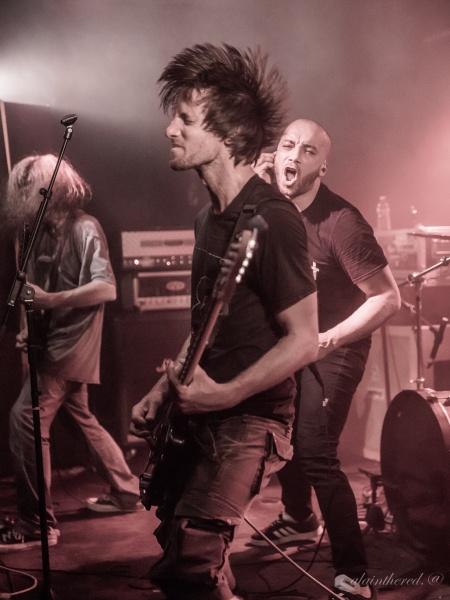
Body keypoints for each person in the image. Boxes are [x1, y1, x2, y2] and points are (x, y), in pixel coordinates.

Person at [130, 44, 319, 600]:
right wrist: (163, 389)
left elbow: (304, 340)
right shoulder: (207, 220)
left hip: (252, 419)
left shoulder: (274, 221)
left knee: (194, 558)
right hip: (202, 416)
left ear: (229, 132)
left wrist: (227, 393)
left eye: (186, 119)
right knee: (186, 557)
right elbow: (209, 321)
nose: (170, 129)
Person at [250, 119, 401, 600]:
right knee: (281, 428)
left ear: (322, 167)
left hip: (337, 346)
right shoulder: (269, 209)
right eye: (287, 146)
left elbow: (388, 298)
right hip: (293, 341)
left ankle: (354, 573)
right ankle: (299, 519)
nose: (295, 155)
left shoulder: (342, 222)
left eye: (308, 151)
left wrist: (329, 339)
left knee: (316, 450)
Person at [0, 154, 141, 553]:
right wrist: (28, 327)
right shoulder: (38, 235)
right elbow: (33, 293)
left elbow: (106, 288)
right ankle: (127, 489)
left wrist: (50, 300)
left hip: (73, 346)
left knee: (25, 419)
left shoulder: (85, 227)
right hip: (52, 342)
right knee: (81, 418)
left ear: (52, 189)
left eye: (27, 190)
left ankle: (36, 524)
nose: (20, 198)